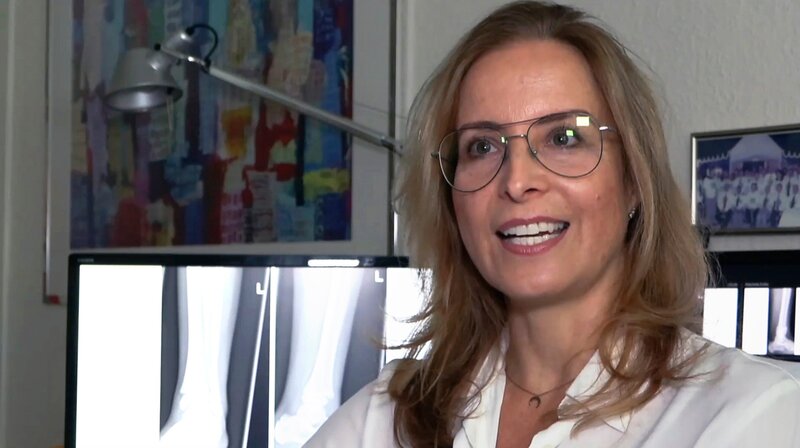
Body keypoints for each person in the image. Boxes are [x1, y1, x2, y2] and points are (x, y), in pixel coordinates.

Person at [306, 1, 800, 447]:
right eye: (482, 146)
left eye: (564, 138)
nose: (517, 181)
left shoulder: (751, 416)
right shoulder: (387, 416)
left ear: (634, 181)